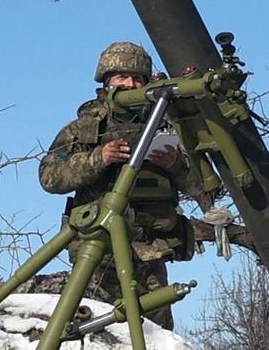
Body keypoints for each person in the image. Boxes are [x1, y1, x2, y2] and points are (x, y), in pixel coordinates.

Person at [39, 41, 202, 330]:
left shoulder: (165, 124)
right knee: (96, 332)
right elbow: (49, 176)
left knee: (158, 338)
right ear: (106, 82)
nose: (129, 84)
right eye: (121, 77)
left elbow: (203, 186)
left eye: (137, 78)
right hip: (98, 253)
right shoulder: (83, 129)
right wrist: (97, 159)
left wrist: (175, 164)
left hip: (151, 250)